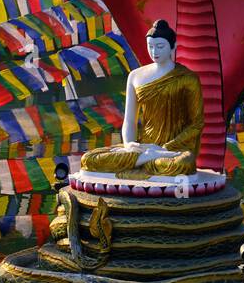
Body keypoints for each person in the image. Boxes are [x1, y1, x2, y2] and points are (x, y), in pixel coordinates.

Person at [79, 19, 204, 178]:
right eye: (150, 46)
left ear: (173, 46)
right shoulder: (135, 76)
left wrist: (165, 149)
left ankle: (142, 161)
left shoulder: (188, 78)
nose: (154, 52)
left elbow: (196, 124)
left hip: (172, 150)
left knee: (181, 164)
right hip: (143, 146)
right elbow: (130, 121)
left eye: (160, 46)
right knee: (89, 159)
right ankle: (143, 159)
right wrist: (129, 144)